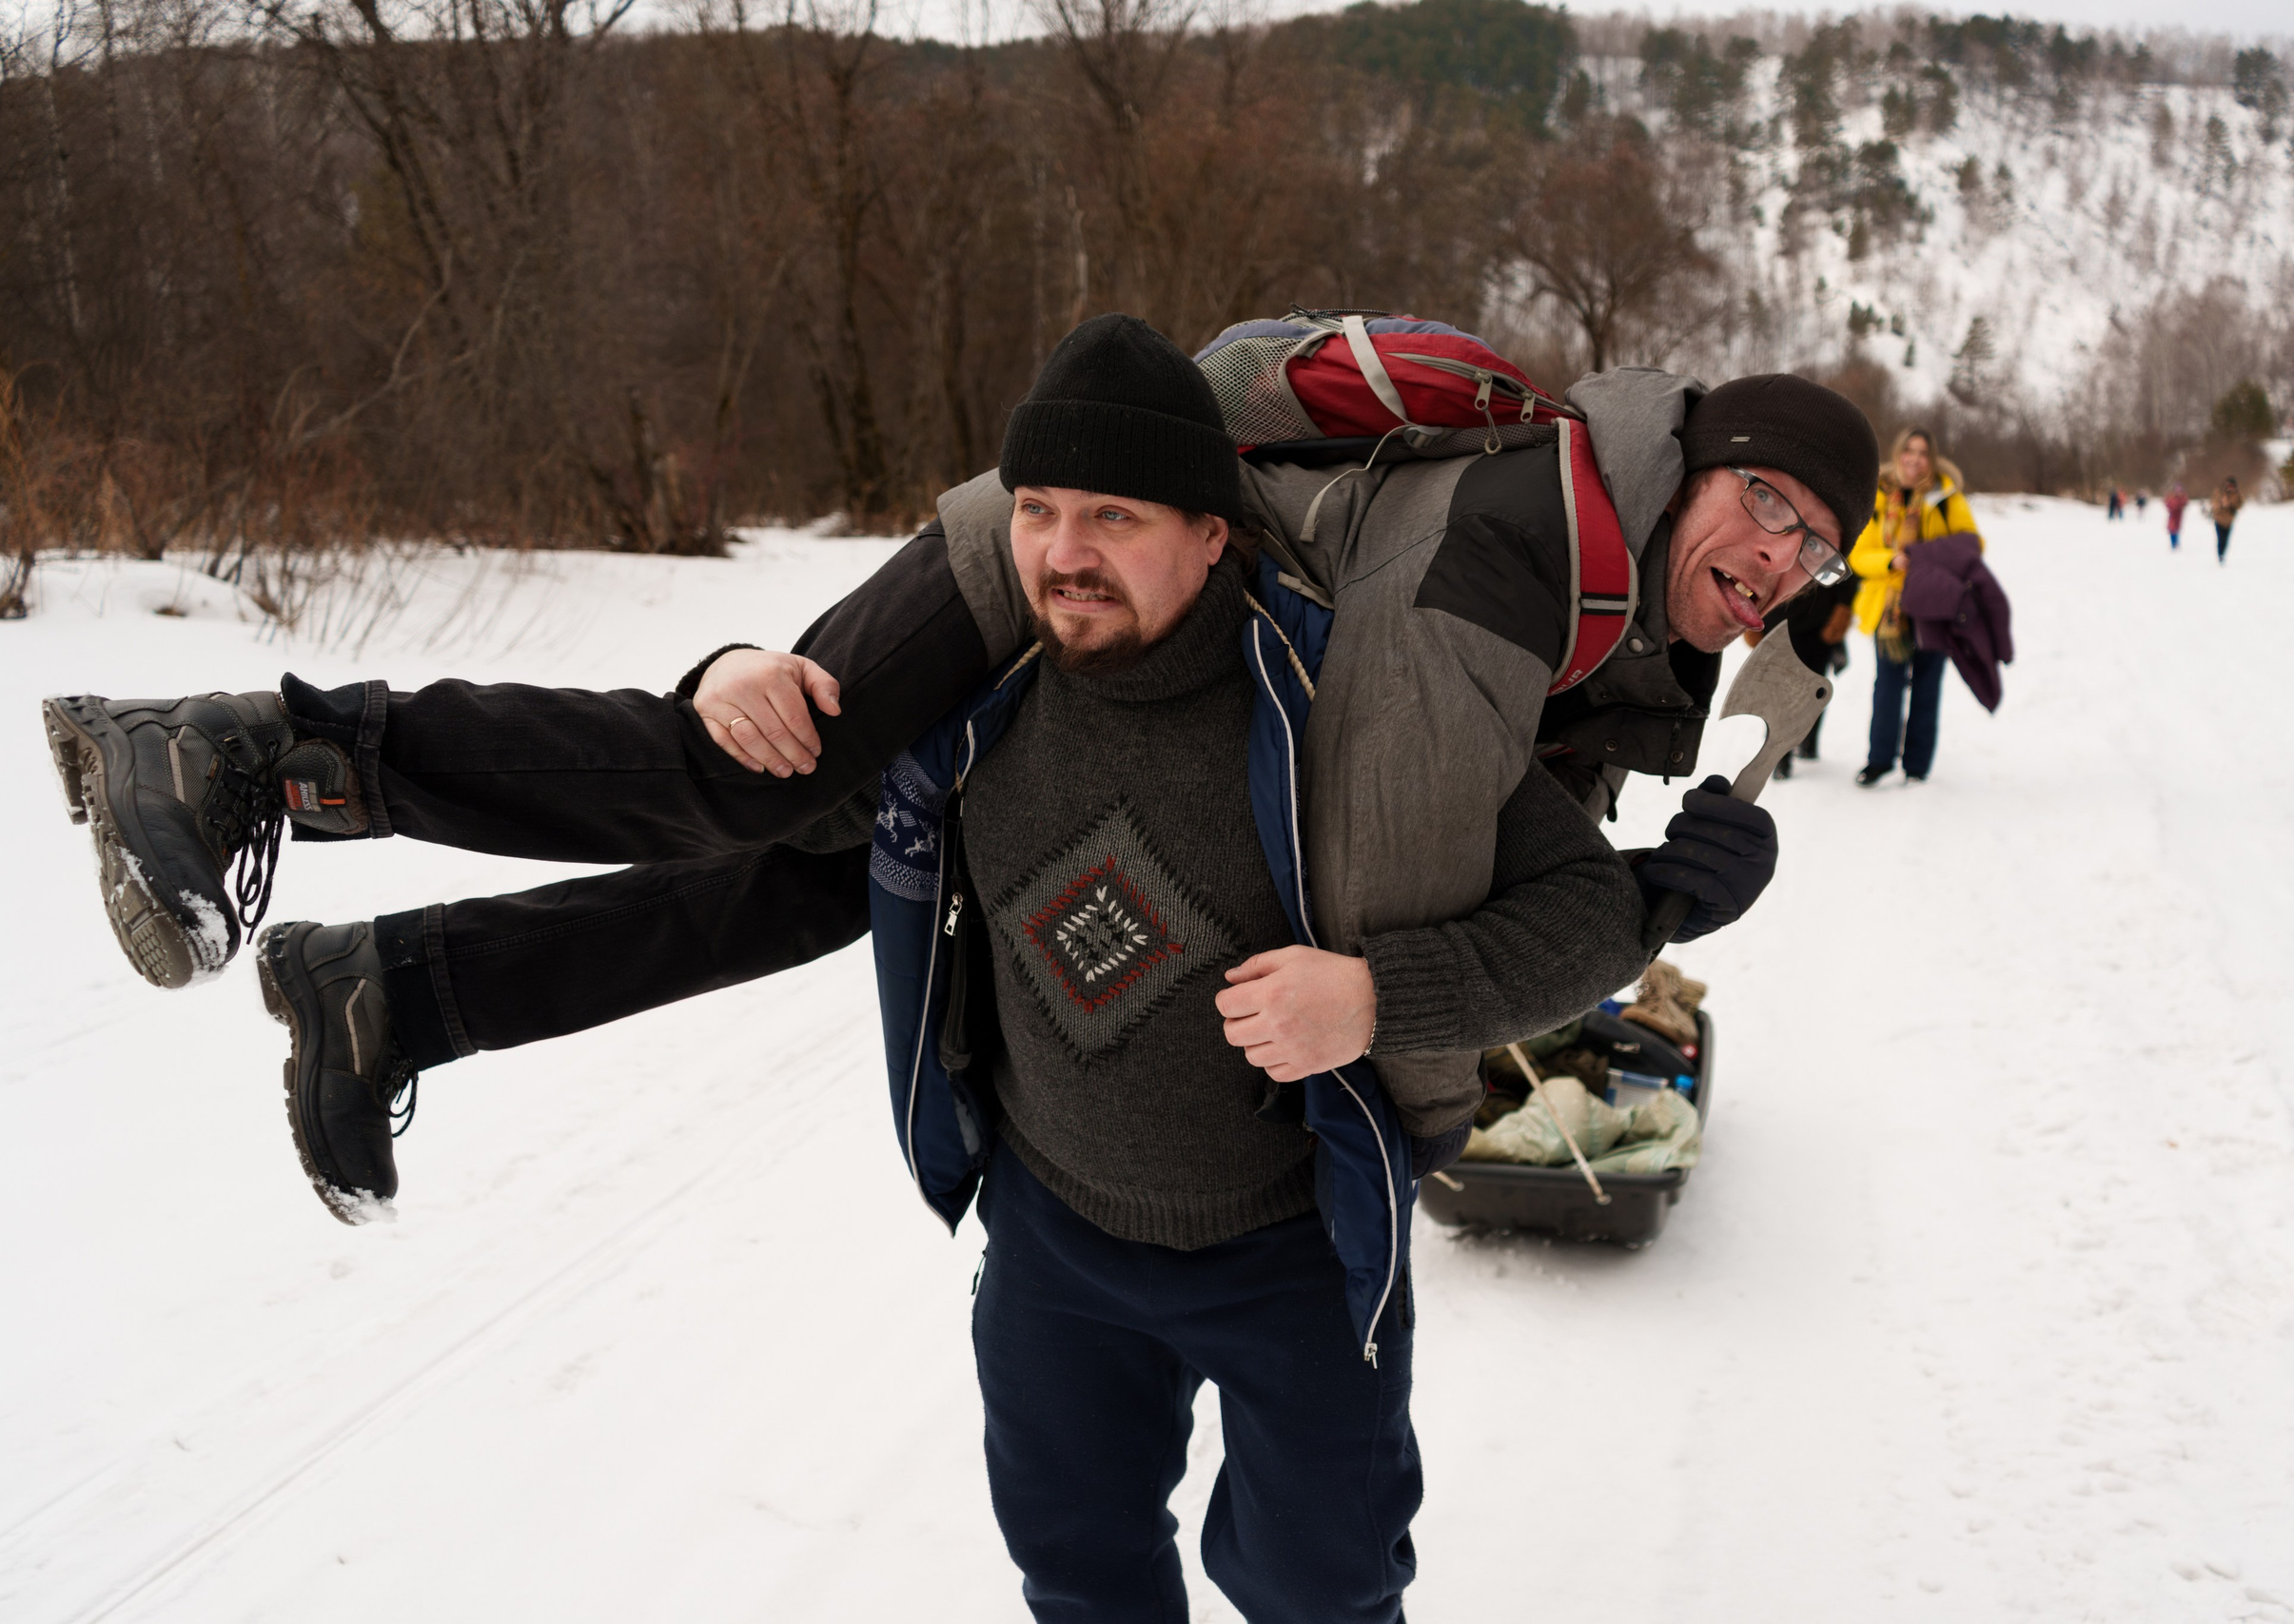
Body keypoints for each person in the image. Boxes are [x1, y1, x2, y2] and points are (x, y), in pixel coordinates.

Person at [45, 319, 1880, 1619]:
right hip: (1071, 538)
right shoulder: (1519, 548)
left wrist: (1626, 870)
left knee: (820, 871)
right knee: (738, 771)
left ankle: (392, 991)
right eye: (1766, 502)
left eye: (1813, 543)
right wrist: (1553, 954)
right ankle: (253, 749)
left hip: (1141, 546)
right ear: (1693, 458)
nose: (1777, 553)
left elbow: (1466, 825)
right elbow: (1391, 856)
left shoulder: (1612, 600)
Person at [1848, 425, 1981, 786]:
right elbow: (1858, 554)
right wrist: (1891, 561)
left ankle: (1917, 767)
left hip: (1934, 605)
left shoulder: (1946, 498)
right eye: (1909, 451)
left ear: (1931, 459)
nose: (1915, 459)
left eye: (1923, 453)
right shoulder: (1875, 497)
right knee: (1887, 685)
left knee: (1927, 684)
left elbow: (1971, 546)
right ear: (1898, 453)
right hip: (1888, 607)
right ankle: (1879, 761)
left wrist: (1929, 558)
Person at [1745, 568, 1858, 776]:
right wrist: (1749, 616)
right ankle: (1780, 755)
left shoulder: (1825, 540)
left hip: (1817, 628)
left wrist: (1842, 613)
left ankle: (1807, 741)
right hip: (1775, 625)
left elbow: (1846, 578)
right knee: (1779, 696)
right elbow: (1750, 577)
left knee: (1813, 692)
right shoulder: (1771, 540)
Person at [2210, 476, 2243, 563]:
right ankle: (2220, 555)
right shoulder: (2220, 493)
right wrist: (2221, 504)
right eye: (2229, 485)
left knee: (2226, 540)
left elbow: (2239, 505)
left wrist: (2230, 504)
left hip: (2229, 521)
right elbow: (2214, 505)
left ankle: (2223, 554)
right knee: (2220, 539)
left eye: (2232, 486)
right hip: (2219, 520)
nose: (2230, 488)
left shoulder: (2236, 495)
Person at [2164, 480, 2188, 550]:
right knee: (2172, 529)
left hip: (2179, 515)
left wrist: (2180, 503)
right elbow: (2168, 504)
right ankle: (2173, 544)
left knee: (2177, 529)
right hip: (2172, 515)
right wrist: (2174, 506)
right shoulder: (2171, 496)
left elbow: (2185, 503)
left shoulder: (2183, 497)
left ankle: (2176, 543)